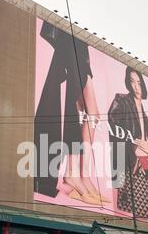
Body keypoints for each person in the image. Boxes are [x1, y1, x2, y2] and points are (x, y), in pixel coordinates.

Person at [34, 20, 108, 205]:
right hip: (72, 46)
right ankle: (74, 175)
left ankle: (80, 175)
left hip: (79, 50)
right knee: (91, 113)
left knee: (84, 113)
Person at [108, 66, 148, 225]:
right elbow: (112, 122)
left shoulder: (147, 119)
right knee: (141, 208)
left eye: (139, 82)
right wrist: (132, 141)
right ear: (128, 83)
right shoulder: (122, 100)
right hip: (134, 161)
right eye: (132, 82)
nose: (136, 86)